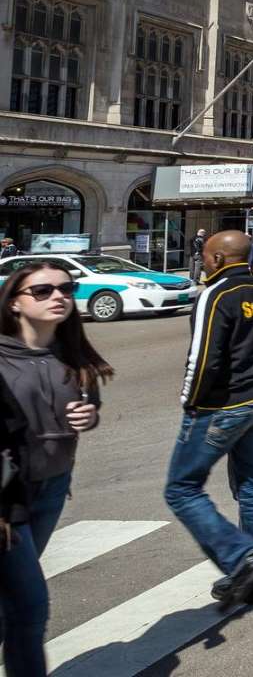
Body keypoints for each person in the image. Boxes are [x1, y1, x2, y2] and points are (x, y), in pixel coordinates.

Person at [165, 231, 253, 611]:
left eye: (206, 257)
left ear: (219, 260)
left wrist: (191, 403)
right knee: (251, 484)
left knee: (182, 488)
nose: (204, 263)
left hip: (224, 404)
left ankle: (241, 560)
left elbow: (204, 356)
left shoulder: (217, 294)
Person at [0, 262, 112, 677]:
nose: (58, 296)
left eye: (66, 288)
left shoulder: (71, 353)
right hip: (7, 499)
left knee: (11, 601)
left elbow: (89, 406)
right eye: (43, 290)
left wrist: (90, 416)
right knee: (30, 605)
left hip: (52, 486)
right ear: (15, 302)